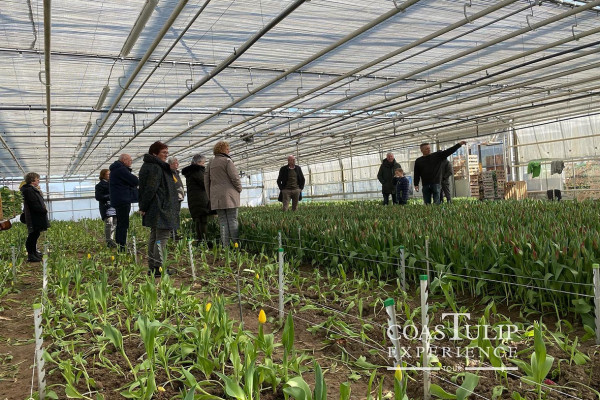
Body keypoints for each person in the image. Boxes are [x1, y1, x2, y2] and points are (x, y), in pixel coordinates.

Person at [138, 141, 179, 276]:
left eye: (167, 152)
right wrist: (143, 206)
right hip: (161, 207)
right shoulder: (155, 167)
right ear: (154, 153)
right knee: (162, 237)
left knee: (155, 236)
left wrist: (144, 206)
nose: (166, 155)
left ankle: (153, 266)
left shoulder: (151, 165)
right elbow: (150, 189)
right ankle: (159, 268)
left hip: (157, 207)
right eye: (163, 152)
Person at [205, 141, 242, 247]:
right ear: (222, 150)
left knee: (222, 221)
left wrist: (210, 195)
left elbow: (206, 180)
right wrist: (239, 189)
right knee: (232, 220)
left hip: (216, 197)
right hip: (229, 196)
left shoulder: (210, 163)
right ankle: (235, 244)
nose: (228, 151)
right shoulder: (227, 161)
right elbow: (234, 177)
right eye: (227, 149)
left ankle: (225, 245)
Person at [109, 154, 139, 252]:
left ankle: (120, 245)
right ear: (124, 160)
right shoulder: (121, 169)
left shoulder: (116, 169)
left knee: (121, 223)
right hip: (123, 200)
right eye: (130, 160)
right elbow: (134, 181)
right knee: (123, 224)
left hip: (119, 200)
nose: (131, 162)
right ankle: (121, 246)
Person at [182, 154, 212, 246]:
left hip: (194, 199)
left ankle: (200, 240)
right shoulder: (197, 171)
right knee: (203, 220)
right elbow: (204, 183)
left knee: (198, 220)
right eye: (203, 162)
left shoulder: (190, 172)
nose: (204, 164)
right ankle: (204, 241)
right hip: (200, 199)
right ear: (199, 162)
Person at [20, 172, 49, 262]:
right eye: (37, 179)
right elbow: (34, 204)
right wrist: (43, 210)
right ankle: (31, 255)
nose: (38, 181)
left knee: (35, 234)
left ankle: (34, 252)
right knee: (32, 235)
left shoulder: (31, 189)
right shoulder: (29, 190)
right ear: (32, 180)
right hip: (33, 216)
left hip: (36, 216)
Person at [95, 169, 117, 248]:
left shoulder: (112, 184)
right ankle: (109, 241)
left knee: (114, 223)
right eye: (108, 174)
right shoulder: (100, 185)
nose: (110, 176)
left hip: (114, 206)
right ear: (103, 175)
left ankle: (111, 240)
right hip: (106, 207)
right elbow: (98, 197)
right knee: (109, 223)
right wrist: (110, 197)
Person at [168, 156, 185, 241]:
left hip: (178, 198)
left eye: (177, 162)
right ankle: (173, 234)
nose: (177, 164)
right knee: (173, 215)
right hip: (173, 198)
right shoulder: (170, 173)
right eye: (175, 163)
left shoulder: (176, 173)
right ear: (170, 164)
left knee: (176, 215)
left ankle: (175, 233)